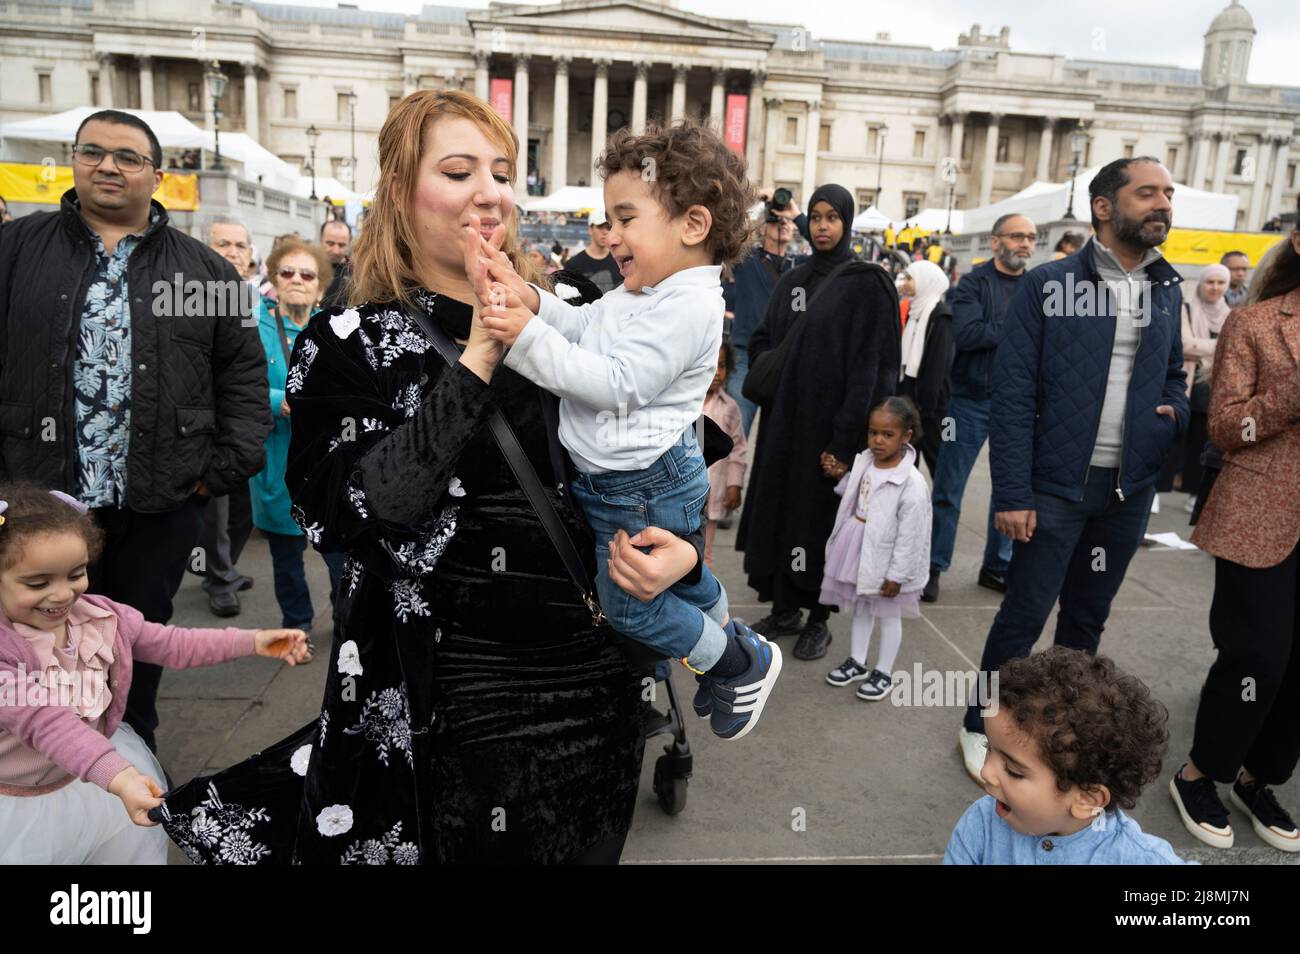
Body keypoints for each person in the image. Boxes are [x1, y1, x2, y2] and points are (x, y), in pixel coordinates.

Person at [152, 89, 724, 865]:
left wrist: (683, 548)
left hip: (597, 669)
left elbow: (664, 449)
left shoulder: (570, 306)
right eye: (457, 171)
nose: (489, 190)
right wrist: (483, 356)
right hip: (456, 685)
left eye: (500, 170)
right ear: (399, 191)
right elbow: (352, 510)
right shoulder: (350, 337)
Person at [474, 118, 781, 741]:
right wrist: (534, 302)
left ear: (692, 225)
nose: (610, 234)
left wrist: (523, 338)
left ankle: (731, 662)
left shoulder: (688, 304)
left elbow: (615, 383)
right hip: (630, 479)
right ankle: (733, 640)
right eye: (607, 219)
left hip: (639, 484)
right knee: (667, 585)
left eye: (625, 218)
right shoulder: (646, 289)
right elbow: (587, 326)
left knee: (626, 604)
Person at [0, 110, 271, 754]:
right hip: (39, 498)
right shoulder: (15, 250)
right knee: (33, 634)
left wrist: (220, 471)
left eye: (127, 157)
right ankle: (39, 758)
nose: (108, 166)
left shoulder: (209, 272)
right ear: (73, 160)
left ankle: (130, 747)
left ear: (156, 174)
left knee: (137, 631)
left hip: (160, 497)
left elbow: (243, 375)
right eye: (93, 152)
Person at [959, 157, 1189, 782]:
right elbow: (1012, 395)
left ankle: (1062, 731)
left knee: (1087, 618)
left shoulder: (1166, 287)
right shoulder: (1049, 284)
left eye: (1167, 193)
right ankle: (982, 723)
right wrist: (1011, 491)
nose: (1163, 203)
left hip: (1128, 489)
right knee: (1024, 615)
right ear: (1105, 207)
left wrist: (1175, 414)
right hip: (1055, 487)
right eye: (1148, 193)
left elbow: (1173, 373)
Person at [0, 482, 309, 864]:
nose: (63, 594)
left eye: (75, 573)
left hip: (93, 781)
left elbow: (172, 644)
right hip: (21, 803)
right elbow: (47, 723)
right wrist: (121, 777)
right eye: (38, 582)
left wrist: (254, 641)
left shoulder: (99, 617)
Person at [1173, 211, 1300, 854]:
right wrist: (1290, 395)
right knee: (1259, 657)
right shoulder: (1255, 324)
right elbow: (1225, 428)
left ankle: (1260, 778)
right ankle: (1200, 773)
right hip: (1261, 516)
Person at [737, 184, 902, 661]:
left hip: (832, 432)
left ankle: (819, 617)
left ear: (847, 223)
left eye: (833, 217)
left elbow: (872, 368)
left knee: (820, 523)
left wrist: (847, 442)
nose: (823, 226)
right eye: (816, 216)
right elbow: (761, 338)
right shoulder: (792, 280)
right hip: (785, 425)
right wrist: (779, 366)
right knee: (782, 515)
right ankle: (785, 608)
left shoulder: (867, 283)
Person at [945, 647, 1187, 864]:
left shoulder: (1137, 858)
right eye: (989, 748)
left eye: (1013, 770)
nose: (986, 771)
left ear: (1087, 799)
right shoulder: (983, 822)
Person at [923, 214, 1034, 603]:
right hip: (967, 401)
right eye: (1017, 236)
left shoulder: (1039, 286)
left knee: (1010, 491)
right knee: (948, 489)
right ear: (995, 241)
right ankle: (933, 566)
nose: (1025, 243)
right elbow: (967, 334)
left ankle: (997, 566)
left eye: (1031, 237)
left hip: (1018, 405)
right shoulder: (972, 283)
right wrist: (1024, 327)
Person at [250, 240, 346, 635]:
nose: (296, 281)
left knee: (342, 556)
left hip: (329, 464)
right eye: (287, 272)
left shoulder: (337, 328)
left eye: (307, 275)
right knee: (287, 558)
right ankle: (297, 626)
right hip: (277, 460)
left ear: (321, 286)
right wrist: (279, 401)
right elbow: (235, 385)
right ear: (273, 279)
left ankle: (346, 621)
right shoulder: (253, 326)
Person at [821, 397, 930, 701]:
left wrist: (897, 575)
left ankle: (884, 671)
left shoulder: (912, 484)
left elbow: (911, 536)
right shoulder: (865, 461)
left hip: (885, 557)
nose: (878, 440)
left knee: (888, 614)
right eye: (873, 432)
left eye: (887, 434)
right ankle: (857, 660)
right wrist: (840, 477)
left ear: (906, 436)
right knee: (860, 607)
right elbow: (858, 490)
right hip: (858, 547)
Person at [195, 215, 260, 618]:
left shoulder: (250, 296)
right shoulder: (195, 296)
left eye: (240, 245)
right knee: (214, 511)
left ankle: (224, 567)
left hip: (246, 424)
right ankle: (217, 577)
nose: (233, 252)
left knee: (242, 510)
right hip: (209, 426)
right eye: (224, 244)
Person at [722, 204, 807, 437]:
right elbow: (728, 233)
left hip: (785, 361)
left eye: (787, 221)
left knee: (780, 442)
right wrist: (760, 204)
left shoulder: (799, 265)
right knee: (734, 437)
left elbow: (830, 252)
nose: (784, 224)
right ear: (761, 228)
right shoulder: (747, 260)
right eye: (776, 220)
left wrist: (796, 214)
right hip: (745, 359)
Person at [1176, 264, 1231, 503]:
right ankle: (1160, 488)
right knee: (1176, 438)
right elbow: (1184, 345)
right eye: (1210, 282)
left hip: (1213, 386)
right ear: (1201, 283)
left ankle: (1193, 493)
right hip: (1187, 382)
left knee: (1202, 439)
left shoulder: (1231, 314)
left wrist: (1202, 348)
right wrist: (1218, 347)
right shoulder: (1186, 309)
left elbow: (1234, 348)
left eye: (1220, 283)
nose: (1215, 287)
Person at [896, 260, 953, 476]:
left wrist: (926, 407)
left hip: (931, 409)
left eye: (910, 278)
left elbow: (938, 366)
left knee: (938, 463)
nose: (907, 283)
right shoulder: (914, 311)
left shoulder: (941, 317)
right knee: (907, 462)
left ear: (925, 282)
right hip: (910, 402)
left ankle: (940, 508)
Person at [702, 344, 746, 569]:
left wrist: (734, 484)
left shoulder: (730, 408)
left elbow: (738, 449)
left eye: (722, 366)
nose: (717, 372)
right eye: (711, 365)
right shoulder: (687, 405)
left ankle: (703, 603)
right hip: (684, 494)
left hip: (713, 493)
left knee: (704, 553)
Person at [564, 208, 623, 293]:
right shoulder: (573, 264)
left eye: (608, 227)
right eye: (600, 227)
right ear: (590, 230)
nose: (605, 232)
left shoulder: (620, 260)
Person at [319, 219, 353, 310]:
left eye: (341, 245)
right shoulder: (306, 270)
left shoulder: (357, 274)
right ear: (321, 240)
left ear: (349, 243)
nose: (336, 251)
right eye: (330, 244)